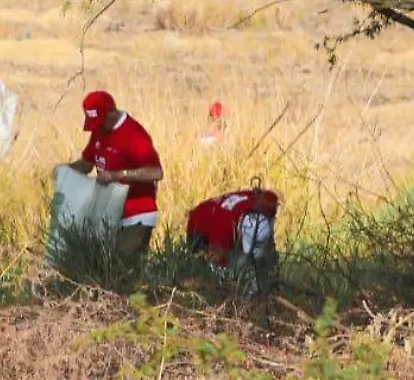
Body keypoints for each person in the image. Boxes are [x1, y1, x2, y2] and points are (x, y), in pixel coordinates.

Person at [66, 90, 165, 261]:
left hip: (136, 215)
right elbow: (87, 163)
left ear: (111, 113)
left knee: (123, 265)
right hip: (109, 213)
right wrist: (64, 171)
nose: (97, 127)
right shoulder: (99, 131)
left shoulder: (134, 134)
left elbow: (156, 172)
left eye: (100, 121)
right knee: (102, 263)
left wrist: (117, 175)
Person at [185, 187, 281, 293]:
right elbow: (218, 259)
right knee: (218, 276)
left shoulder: (261, 204)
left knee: (255, 262)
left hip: (222, 217)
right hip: (199, 227)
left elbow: (269, 198)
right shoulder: (223, 230)